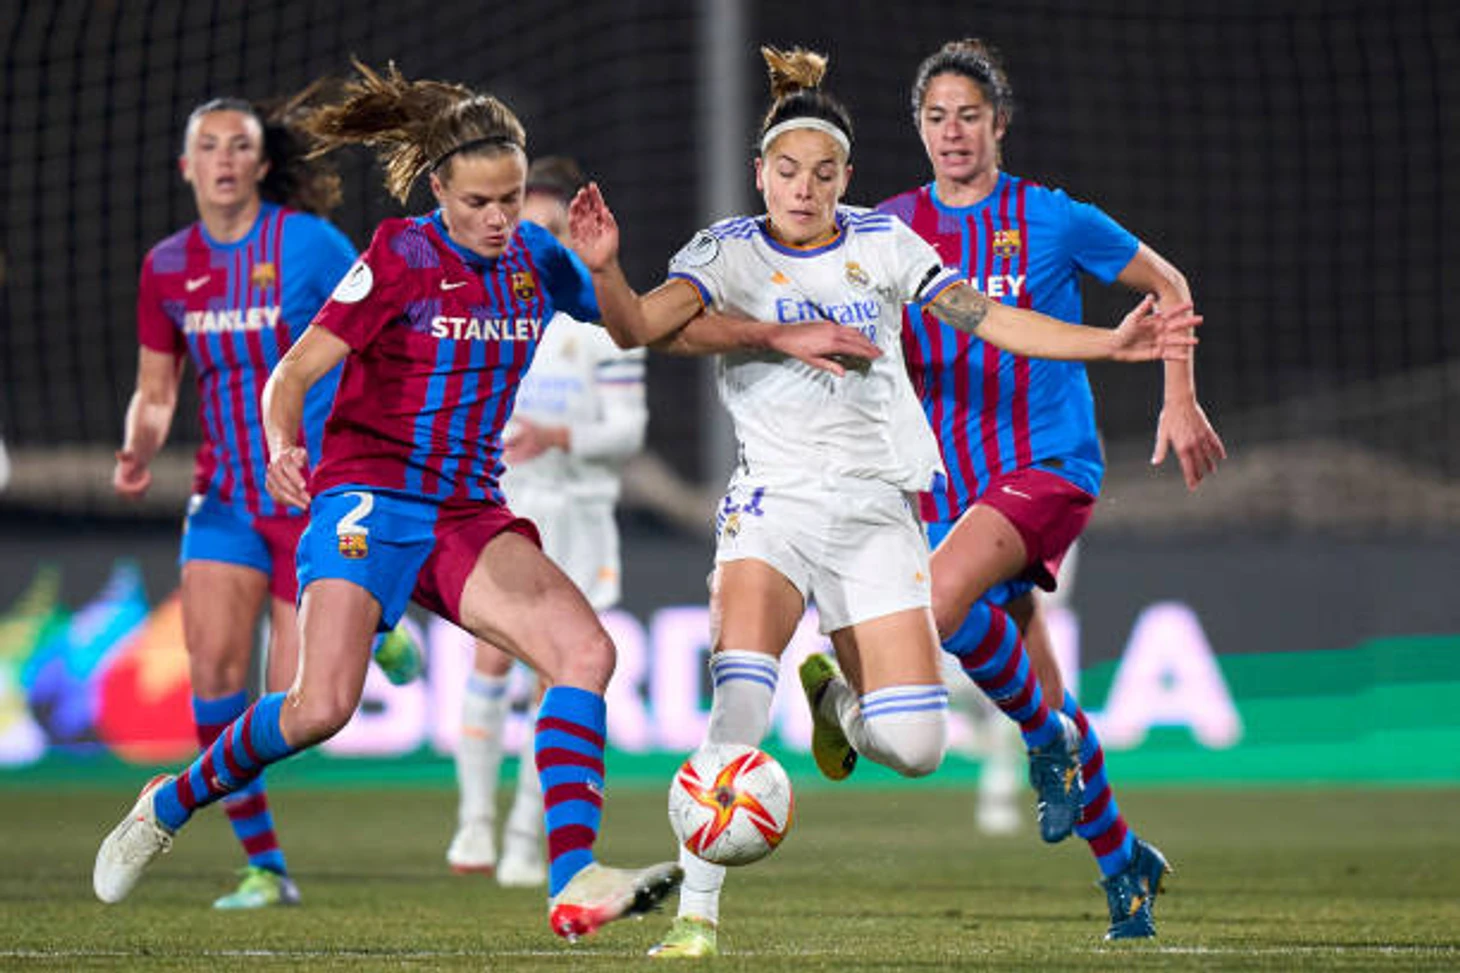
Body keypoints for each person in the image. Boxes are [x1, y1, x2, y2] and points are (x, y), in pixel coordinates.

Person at [566, 46, 1199, 959]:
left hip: (887, 509)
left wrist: (1108, 346)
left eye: (822, 171)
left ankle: (860, 714)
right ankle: (697, 918)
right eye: (786, 170)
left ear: (846, 178)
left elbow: (987, 315)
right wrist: (608, 270)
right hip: (775, 507)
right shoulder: (724, 251)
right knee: (738, 702)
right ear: (760, 175)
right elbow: (635, 328)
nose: (803, 186)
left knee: (915, 746)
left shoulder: (890, 242)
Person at [92, 61, 711, 941]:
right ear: (437, 190)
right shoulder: (396, 256)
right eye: (478, 203)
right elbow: (296, 370)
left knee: (585, 653)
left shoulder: (538, 256)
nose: (498, 218)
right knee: (319, 707)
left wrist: (617, 272)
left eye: (508, 197)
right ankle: (170, 799)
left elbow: (632, 326)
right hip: (367, 497)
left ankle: (572, 879)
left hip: (466, 512)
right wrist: (281, 442)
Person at [876, 38, 1228, 940]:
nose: (952, 132)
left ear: (999, 124)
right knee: (1044, 687)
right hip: (949, 485)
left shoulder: (1054, 218)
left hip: (1047, 464)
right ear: (918, 128)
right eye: (935, 117)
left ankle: (1046, 743)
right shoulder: (889, 227)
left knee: (938, 602)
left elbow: (1170, 285)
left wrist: (1179, 396)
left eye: (968, 115)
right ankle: (1125, 866)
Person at [109, 93, 419, 911]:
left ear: (259, 164)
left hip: (315, 497)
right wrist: (139, 449)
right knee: (210, 675)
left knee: (300, 703)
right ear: (187, 167)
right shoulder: (167, 267)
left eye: (237, 146)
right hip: (225, 497)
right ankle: (266, 866)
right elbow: (154, 387)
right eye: (206, 146)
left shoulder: (310, 246)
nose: (221, 159)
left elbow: (377, 328)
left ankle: (375, 617)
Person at [447, 155, 648, 888]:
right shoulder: (485, 311)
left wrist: (557, 437)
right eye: (527, 226)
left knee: (556, 671)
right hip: (504, 505)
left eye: (552, 228)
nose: (536, 241)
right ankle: (473, 821)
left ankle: (528, 837)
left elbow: (629, 432)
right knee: (490, 658)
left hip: (580, 514)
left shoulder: (598, 324)